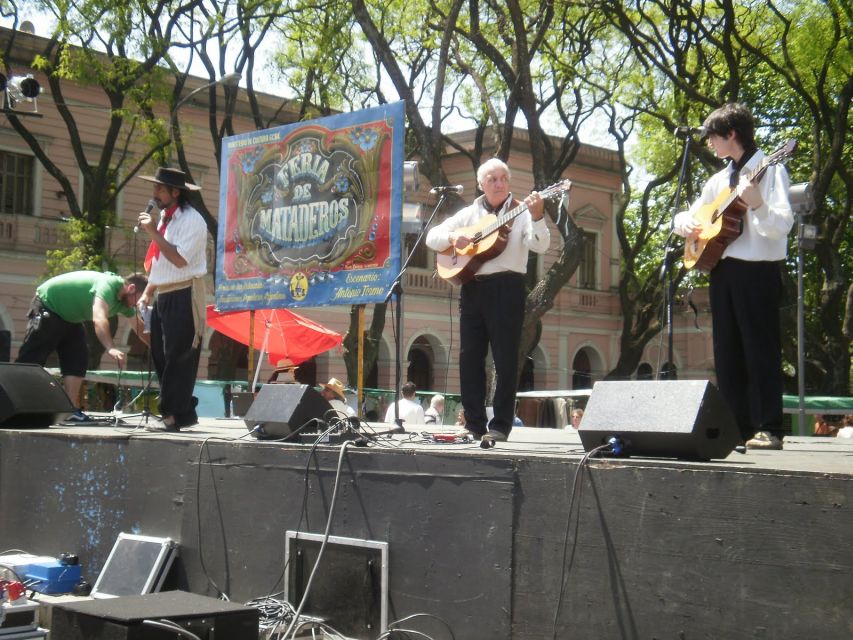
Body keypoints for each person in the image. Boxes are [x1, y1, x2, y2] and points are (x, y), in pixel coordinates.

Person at [673, 103, 793, 451]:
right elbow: (687, 216)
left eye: (713, 135)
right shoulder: (718, 180)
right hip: (722, 271)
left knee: (760, 350)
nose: (709, 142)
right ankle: (737, 428)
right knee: (727, 353)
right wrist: (685, 224)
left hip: (757, 271)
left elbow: (782, 226)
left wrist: (757, 204)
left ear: (731, 134)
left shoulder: (770, 170)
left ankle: (769, 427)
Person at [426, 158, 552, 444]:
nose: (499, 183)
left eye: (503, 178)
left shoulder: (520, 212)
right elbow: (432, 238)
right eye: (492, 179)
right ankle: (474, 424)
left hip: (507, 287)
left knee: (506, 359)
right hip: (472, 287)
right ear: (481, 184)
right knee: (469, 357)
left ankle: (501, 425)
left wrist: (538, 217)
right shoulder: (469, 213)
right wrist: (454, 237)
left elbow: (540, 245)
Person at [16, 270, 147, 422]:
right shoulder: (108, 285)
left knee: (78, 358)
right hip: (48, 305)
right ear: (131, 289)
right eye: (139, 299)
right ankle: (17, 404)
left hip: (71, 318)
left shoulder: (124, 303)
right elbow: (99, 317)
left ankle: (69, 409)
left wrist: (158, 349)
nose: (138, 304)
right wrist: (110, 347)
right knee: (32, 358)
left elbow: (140, 328)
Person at [136, 167, 208, 432]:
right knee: (162, 355)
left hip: (184, 291)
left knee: (178, 356)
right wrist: (148, 291)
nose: (154, 193)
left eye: (160, 189)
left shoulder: (193, 220)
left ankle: (171, 416)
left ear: (175, 192)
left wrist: (153, 232)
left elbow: (179, 260)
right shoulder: (167, 218)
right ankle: (183, 413)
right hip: (165, 292)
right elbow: (161, 261)